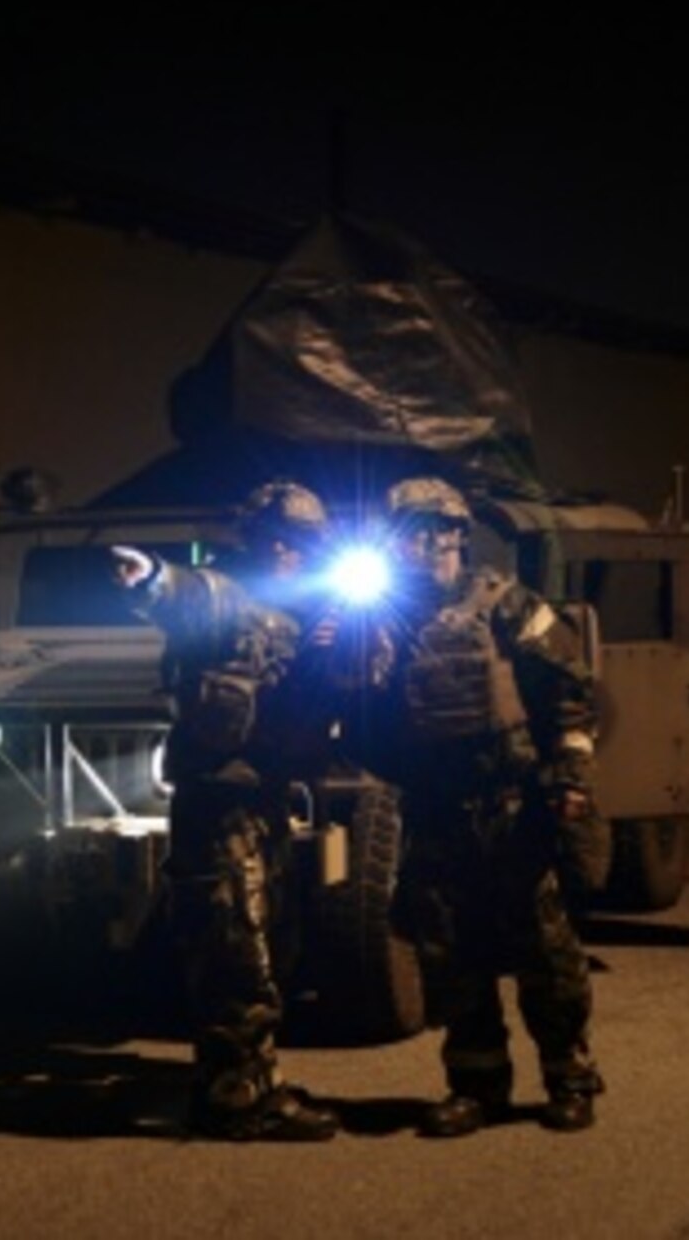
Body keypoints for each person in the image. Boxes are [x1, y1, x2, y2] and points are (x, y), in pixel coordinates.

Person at [111, 479, 363, 1142]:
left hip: (267, 798)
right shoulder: (220, 594)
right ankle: (235, 1099)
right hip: (219, 801)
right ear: (263, 543)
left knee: (271, 938)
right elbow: (175, 591)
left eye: (303, 543)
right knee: (232, 946)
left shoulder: (303, 614)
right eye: (285, 542)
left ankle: (253, 1077)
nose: (293, 553)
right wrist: (149, 577)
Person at [357, 475, 609, 1136]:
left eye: (432, 532)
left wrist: (569, 776)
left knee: (544, 951)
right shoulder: (385, 623)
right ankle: (476, 1085)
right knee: (451, 954)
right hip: (438, 809)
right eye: (408, 534)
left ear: (455, 536)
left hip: (513, 804)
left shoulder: (507, 605)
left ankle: (569, 1076)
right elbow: (365, 722)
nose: (422, 545)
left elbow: (573, 694)